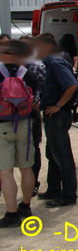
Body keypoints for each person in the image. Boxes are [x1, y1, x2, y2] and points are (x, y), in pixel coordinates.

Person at [34, 33, 78, 207]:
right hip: (53, 115)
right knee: (53, 154)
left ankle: (68, 195)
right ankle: (54, 189)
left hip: (57, 116)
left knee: (62, 155)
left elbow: (71, 85)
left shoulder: (55, 63)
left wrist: (58, 106)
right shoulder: (53, 62)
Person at [0, 41, 39, 227]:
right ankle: (26, 205)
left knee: (6, 173)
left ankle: (12, 214)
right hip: (25, 125)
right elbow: (38, 99)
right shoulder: (30, 75)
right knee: (27, 169)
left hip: (2, 127)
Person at [20, 36, 45, 194]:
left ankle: (34, 183)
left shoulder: (36, 66)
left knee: (33, 149)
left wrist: (40, 103)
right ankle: (33, 184)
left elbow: (47, 86)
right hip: (22, 114)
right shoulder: (37, 66)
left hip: (31, 113)